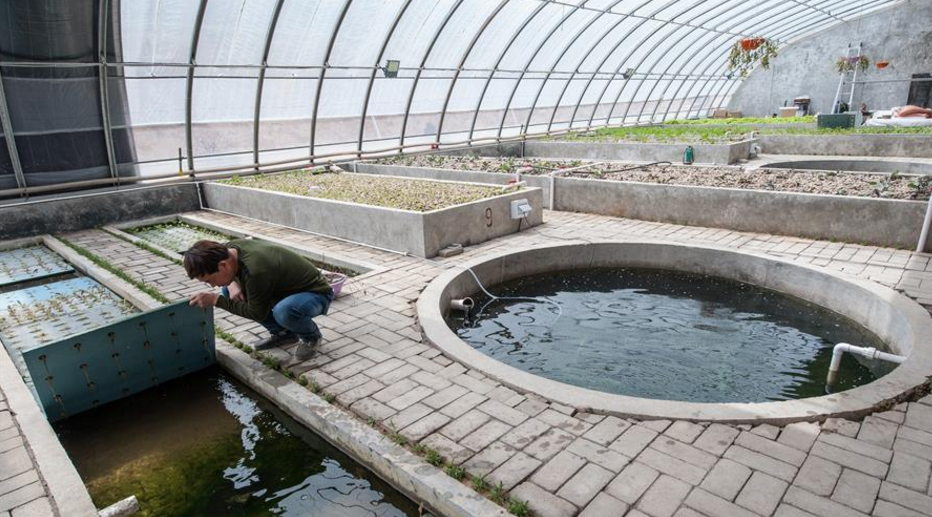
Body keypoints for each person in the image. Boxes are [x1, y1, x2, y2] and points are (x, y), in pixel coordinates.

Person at [184, 239, 333, 361]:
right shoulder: (228, 250)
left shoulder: (256, 271)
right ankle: (284, 333)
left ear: (223, 265)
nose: (212, 285)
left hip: (315, 293)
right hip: (282, 290)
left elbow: (257, 313)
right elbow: (234, 277)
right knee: (229, 291)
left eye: (210, 280)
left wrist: (216, 300)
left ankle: (311, 337)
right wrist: (233, 283)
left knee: (284, 311)